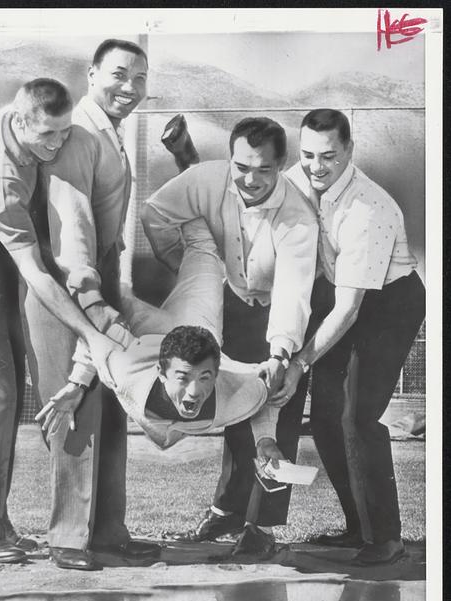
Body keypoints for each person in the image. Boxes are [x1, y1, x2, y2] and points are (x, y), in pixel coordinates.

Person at [0, 79, 121, 565]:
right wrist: (89, 333)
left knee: (8, 398)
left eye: (64, 134)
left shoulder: (26, 123)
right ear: (20, 122)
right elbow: (35, 271)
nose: (57, 146)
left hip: (0, 266)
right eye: (47, 137)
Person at [139, 117, 319, 542]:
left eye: (264, 169)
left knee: (276, 405)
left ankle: (263, 527)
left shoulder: (299, 218)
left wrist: (280, 353)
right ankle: (225, 512)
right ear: (229, 159)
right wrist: (183, 266)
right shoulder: (206, 179)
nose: (251, 179)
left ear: (282, 165)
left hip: (283, 309)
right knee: (234, 405)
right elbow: (156, 214)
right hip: (232, 299)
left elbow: (294, 288)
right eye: (242, 167)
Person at [23, 39, 160, 571]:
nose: (130, 87)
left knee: (108, 401)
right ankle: (68, 538)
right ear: (92, 73)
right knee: (74, 403)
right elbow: (71, 223)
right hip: (69, 284)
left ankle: (107, 532)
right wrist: (90, 300)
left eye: (140, 78)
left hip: (99, 277)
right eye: (119, 75)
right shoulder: (79, 133)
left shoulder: (108, 129)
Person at [276, 108, 425, 566]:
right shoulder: (298, 177)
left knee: (358, 417)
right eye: (308, 156)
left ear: (350, 151)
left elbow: (350, 307)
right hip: (344, 297)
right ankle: (357, 526)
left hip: (388, 304)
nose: (317, 167)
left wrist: (300, 360)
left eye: (329, 157)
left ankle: (386, 537)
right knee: (323, 418)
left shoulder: (369, 208)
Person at [37, 225, 282, 470]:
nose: (195, 391)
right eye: (184, 377)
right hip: (147, 333)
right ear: (162, 373)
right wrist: (78, 382)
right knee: (107, 296)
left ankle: (201, 208)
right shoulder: (127, 369)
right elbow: (96, 329)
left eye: (205, 377)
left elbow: (268, 391)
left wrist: (265, 438)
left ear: (216, 373)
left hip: (197, 320)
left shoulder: (238, 393)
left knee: (204, 249)